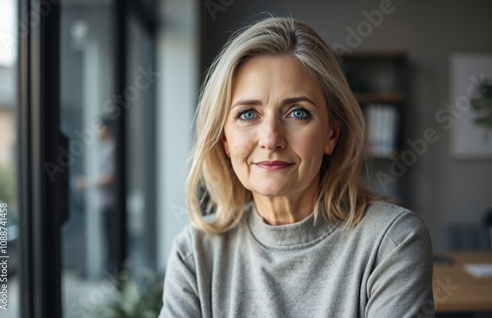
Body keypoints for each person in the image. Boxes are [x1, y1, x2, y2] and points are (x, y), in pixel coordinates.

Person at [159, 17, 434, 318]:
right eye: (248, 114)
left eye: (298, 112)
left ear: (332, 135)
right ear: (224, 139)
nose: (271, 139)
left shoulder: (391, 241)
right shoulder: (194, 254)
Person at [74, 117, 118, 273]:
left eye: (99, 128)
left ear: (106, 129)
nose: (96, 132)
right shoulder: (106, 147)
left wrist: (87, 184)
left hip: (111, 203)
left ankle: (114, 276)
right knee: (108, 241)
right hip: (105, 203)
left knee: (113, 242)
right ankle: (111, 274)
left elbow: (111, 177)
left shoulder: (113, 147)